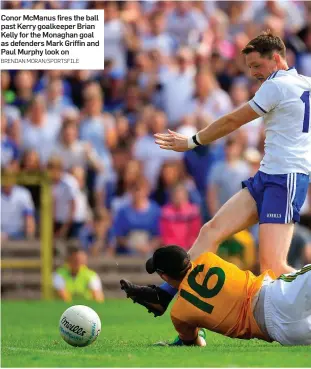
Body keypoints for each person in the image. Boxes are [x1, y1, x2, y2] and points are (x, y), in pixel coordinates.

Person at [154, 31, 311, 278]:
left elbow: (232, 120)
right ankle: (165, 294)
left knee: (274, 268)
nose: (253, 73)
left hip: (285, 178)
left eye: (258, 65)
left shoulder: (276, 84)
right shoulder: (306, 82)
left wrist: (191, 141)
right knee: (211, 231)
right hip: (268, 174)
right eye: (250, 67)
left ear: (278, 58)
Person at [120, 245, 311, 346]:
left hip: (284, 333)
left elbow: (194, 342)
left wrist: (198, 329)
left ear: (163, 276)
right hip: (275, 296)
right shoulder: (208, 258)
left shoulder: (179, 313)